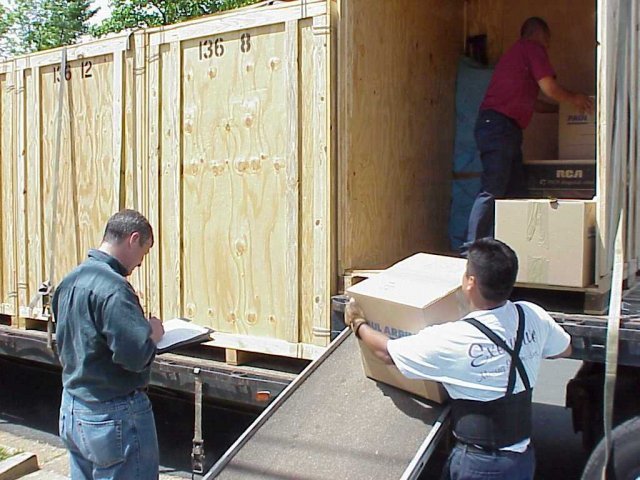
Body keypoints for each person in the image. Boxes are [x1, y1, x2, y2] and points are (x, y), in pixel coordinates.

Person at [345, 238, 572, 480]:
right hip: (522, 461)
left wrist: (358, 324)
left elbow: (386, 353)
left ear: (471, 283)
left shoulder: (455, 338)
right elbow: (564, 349)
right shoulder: (532, 315)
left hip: (479, 465)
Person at [462, 17, 594, 255]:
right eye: (548, 41)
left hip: (503, 128)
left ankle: (510, 250)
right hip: (499, 127)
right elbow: (550, 88)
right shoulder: (532, 48)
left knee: (515, 191)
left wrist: (561, 111)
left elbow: (535, 102)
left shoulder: (517, 56)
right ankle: (471, 252)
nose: (548, 47)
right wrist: (575, 99)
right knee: (493, 188)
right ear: (540, 34)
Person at [52, 209, 164, 480]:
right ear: (133, 239)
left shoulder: (70, 280)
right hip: (112, 414)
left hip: (73, 408)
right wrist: (153, 334)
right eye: (144, 253)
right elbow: (134, 356)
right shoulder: (114, 289)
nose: (140, 263)